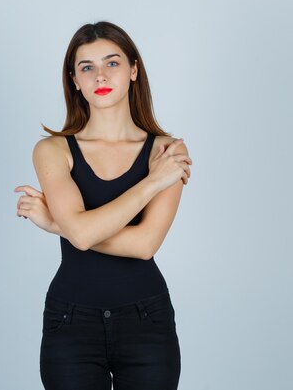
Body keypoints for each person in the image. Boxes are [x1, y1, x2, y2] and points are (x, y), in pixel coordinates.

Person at [13, 21, 193, 390]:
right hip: (71, 322)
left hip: (148, 322)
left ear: (133, 70)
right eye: (87, 67)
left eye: (112, 63)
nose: (100, 76)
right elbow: (79, 234)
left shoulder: (168, 150)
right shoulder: (52, 150)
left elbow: (145, 246)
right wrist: (153, 182)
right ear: (74, 80)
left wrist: (57, 225)